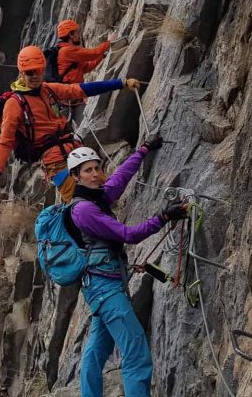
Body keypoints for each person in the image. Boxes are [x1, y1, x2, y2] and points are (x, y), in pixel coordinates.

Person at [66, 139, 189, 397]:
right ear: (75, 176)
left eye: (96, 168)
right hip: (105, 290)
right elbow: (128, 235)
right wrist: (163, 217)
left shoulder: (96, 198)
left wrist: (142, 151)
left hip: (102, 288)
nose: (96, 174)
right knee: (136, 353)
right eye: (87, 170)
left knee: (97, 350)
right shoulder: (84, 210)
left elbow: (120, 178)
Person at [0, 46, 140, 202]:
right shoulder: (14, 104)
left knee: (103, 188)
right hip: (54, 160)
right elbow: (6, 140)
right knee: (77, 201)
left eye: (38, 71)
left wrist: (120, 83)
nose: (35, 76)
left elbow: (80, 90)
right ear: (21, 73)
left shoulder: (47, 89)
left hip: (73, 147)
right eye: (29, 72)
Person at [56, 19, 117, 84]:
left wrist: (102, 55)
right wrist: (109, 42)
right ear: (71, 34)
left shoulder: (65, 51)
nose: (79, 35)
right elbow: (93, 53)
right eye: (77, 32)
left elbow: (87, 67)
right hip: (71, 91)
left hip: (73, 90)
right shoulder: (67, 50)